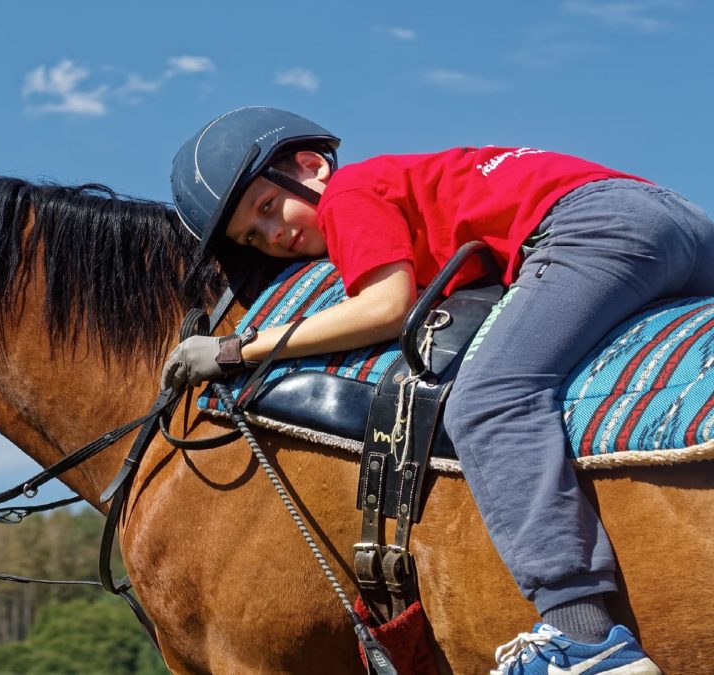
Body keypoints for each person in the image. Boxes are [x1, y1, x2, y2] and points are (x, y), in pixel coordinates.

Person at [162, 106, 712, 673]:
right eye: (256, 236)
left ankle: (584, 637)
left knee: (490, 399)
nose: (277, 235)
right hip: (675, 221)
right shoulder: (407, 185)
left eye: (269, 207)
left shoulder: (349, 193)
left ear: (309, 167)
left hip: (593, 226)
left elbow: (384, 307)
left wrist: (234, 350)